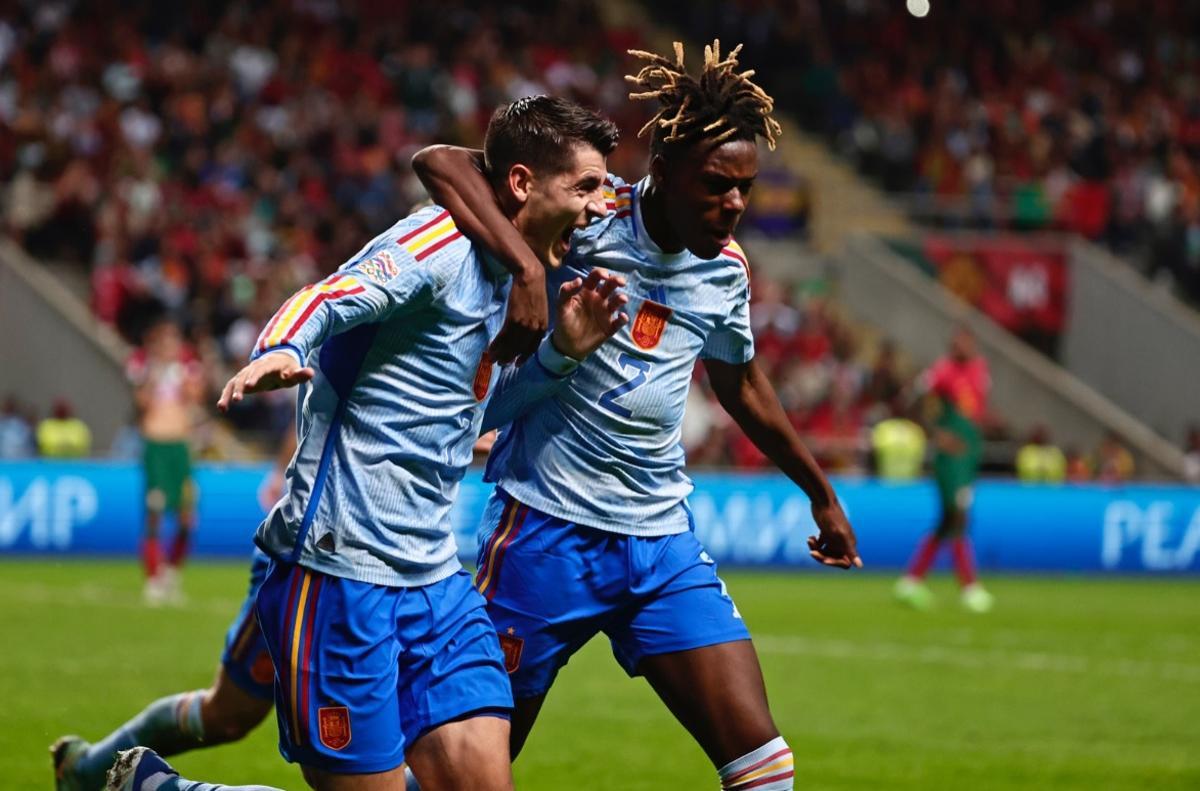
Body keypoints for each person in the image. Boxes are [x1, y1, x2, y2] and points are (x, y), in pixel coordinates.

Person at [104, 96, 628, 791]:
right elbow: (327, 295)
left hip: (436, 577)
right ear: (524, 183)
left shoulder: (519, 279)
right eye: (586, 186)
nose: (601, 205)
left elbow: (476, 403)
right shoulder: (438, 246)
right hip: (340, 571)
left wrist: (560, 353)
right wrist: (281, 346)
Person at [413, 40, 860, 791]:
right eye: (718, 185)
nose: (736, 205)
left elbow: (742, 384)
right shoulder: (590, 213)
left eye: (746, 188)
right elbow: (441, 162)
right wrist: (529, 268)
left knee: (766, 769)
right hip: (544, 536)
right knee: (458, 781)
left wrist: (819, 491)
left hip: (659, 542)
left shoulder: (725, 271)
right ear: (667, 168)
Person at [52, 432, 297, 791]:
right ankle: (97, 773)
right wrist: (281, 472)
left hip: (390, 564)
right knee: (231, 715)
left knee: (387, 755)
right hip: (324, 560)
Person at [894, 326, 994, 613]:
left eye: (967, 341)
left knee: (948, 520)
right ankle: (969, 587)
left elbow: (976, 409)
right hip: (950, 459)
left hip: (969, 453)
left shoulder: (980, 369)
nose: (962, 346)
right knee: (958, 516)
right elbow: (911, 398)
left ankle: (911, 581)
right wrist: (936, 434)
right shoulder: (942, 371)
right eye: (957, 342)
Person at [127, 318, 205, 605]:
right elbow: (141, 404)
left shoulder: (186, 370)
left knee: (187, 514)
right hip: (156, 446)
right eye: (166, 341)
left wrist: (185, 377)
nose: (171, 346)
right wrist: (154, 376)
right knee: (155, 509)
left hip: (180, 448)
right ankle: (152, 577)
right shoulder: (144, 370)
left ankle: (171, 570)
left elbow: (195, 398)